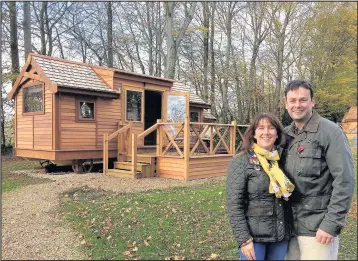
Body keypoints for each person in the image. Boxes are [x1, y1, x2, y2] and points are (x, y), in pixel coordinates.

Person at [282, 80, 355, 260]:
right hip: (287, 228)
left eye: (302, 100)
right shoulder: (283, 135)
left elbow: (344, 181)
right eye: (292, 101)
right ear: (286, 104)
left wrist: (331, 223)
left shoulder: (330, 133)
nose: (297, 105)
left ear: (312, 102)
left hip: (318, 229)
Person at [226, 113, 295, 260]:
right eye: (261, 128)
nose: (266, 132)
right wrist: (244, 240)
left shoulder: (282, 160)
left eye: (271, 128)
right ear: (254, 133)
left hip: (280, 236)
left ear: (277, 134)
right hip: (254, 239)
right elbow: (234, 205)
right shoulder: (241, 161)